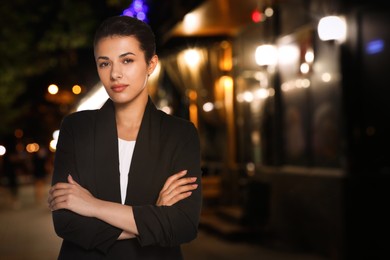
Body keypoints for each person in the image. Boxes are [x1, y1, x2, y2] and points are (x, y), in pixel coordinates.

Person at [48, 15, 202, 259]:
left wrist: (92, 206)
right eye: (104, 63)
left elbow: (182, 225)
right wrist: (154, 216)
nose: (115, 74)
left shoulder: (179, 133)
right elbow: (66, 222)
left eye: (127, 60)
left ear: (151, 64)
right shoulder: (77, 128)